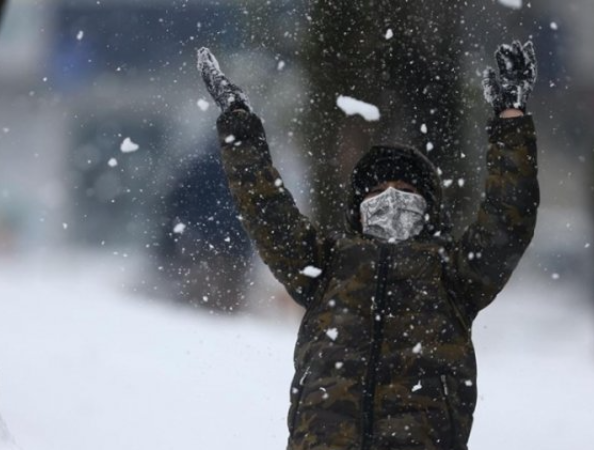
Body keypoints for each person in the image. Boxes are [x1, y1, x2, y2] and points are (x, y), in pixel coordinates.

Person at [197, 41, 539, 450]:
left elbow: (508, 218)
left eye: (406, 188)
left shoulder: (453, 275)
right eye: (377, 189)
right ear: (357, 210)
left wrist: (511, 117)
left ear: (429, 207)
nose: (391, 197)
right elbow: (268, 212)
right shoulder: (325, 265)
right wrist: (239, 125)